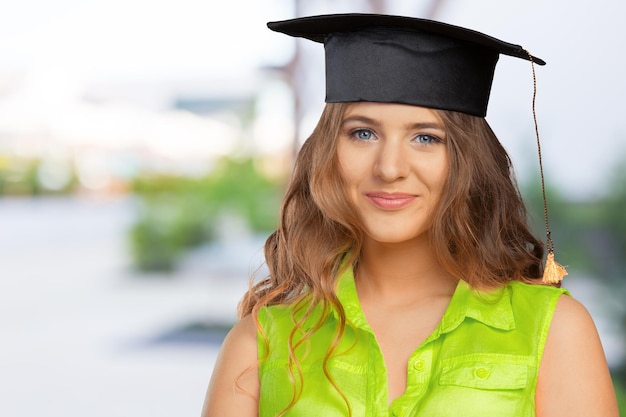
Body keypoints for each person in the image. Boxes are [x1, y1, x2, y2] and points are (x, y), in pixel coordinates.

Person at [201, 13, 619, 417]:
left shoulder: (554, 331)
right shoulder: (262, 342)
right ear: (328, 152)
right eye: (363, 133)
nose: (389, 168)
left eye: (425, 137)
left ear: (466, 161)